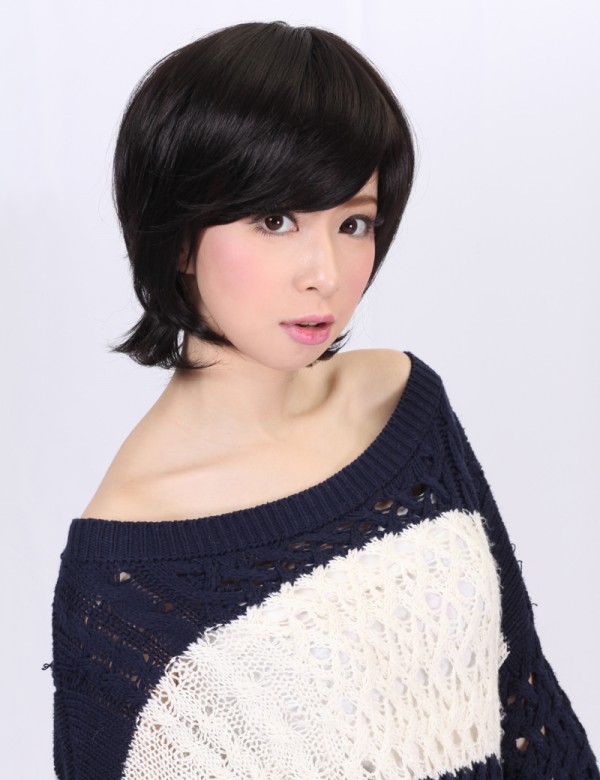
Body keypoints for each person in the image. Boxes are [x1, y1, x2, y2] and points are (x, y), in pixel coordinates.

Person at [50, 21, 598, 780]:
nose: (326, 273)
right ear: (178, 235)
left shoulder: (403, 408)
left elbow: (527, 703)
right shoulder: (124, 577)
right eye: (275, 220)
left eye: (353, 222)